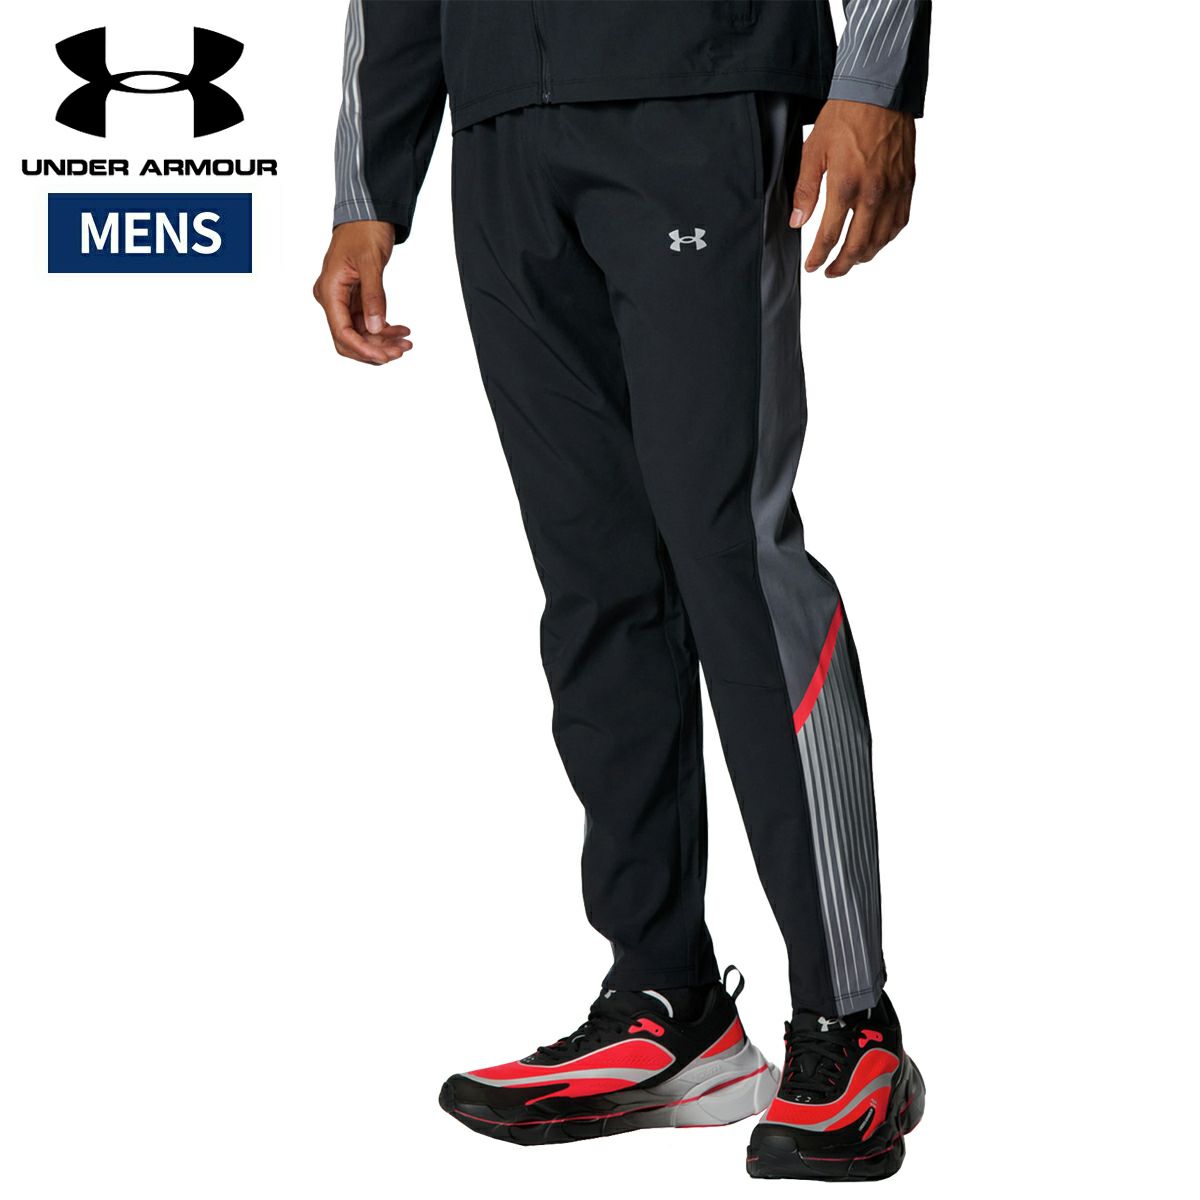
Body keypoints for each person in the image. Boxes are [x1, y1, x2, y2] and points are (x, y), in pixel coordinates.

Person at [313, 0, 930, 1181]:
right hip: (502, 129)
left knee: (733, 555)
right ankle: (668, 1007)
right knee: (594, 581)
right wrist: (366, 190)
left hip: (698, 91)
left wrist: (875, 79)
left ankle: (850, 1022)